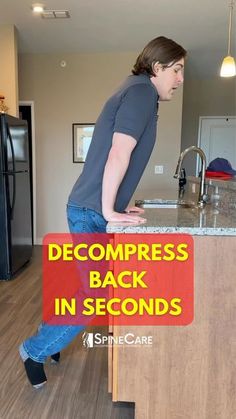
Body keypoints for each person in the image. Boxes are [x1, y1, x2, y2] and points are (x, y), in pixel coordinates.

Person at [19, 36, 186, 388]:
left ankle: (47, 336)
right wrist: (110, 209)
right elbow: (117, 154)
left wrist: (120, 202)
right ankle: (34, 350)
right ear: (157, 67)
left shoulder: (140, 91)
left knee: (88, 290)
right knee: (93, 295)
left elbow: (117, 158)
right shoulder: (142, 93)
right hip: (91, 211)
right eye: (177, 69)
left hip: (89, 208)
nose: (180, 78)